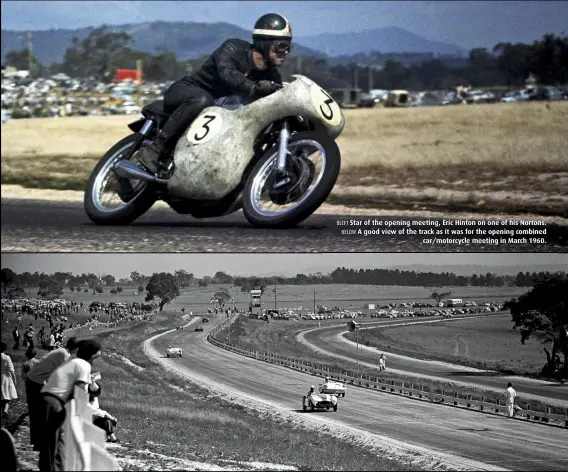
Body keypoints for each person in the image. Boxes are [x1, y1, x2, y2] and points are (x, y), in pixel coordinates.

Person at [136, 13, 292, 175]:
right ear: (263, 43)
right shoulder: (234, 48)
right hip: (187, 92)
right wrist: (253, 88)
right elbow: (228, 73)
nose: (286, 51)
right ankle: (155, 149)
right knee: (203, 100)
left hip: (217, 115)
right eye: (281, 46)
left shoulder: (272, 75)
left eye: (288, 47)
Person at [39, 339, 102, 472]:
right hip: (55, 403)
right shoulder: (84, 366)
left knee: (53, 441)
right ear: (92, 355)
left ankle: (52, 466)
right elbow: (80, 394)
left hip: (48, 399)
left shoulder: (74, 362)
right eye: (96, 355)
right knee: (55, 441)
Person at [26, 337, 79, 452]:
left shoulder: (62, 352)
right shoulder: (63, 355)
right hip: (35, 382)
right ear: (75, 348)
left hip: (37, 380)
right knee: (39, 412)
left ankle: (39, 442)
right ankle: (40, 442)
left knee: (41, 412)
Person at [1, 342, 18, 418]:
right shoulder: (6, 357)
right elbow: (11, 370)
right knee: (6, 395)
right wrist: (14, 379)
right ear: (5, 349)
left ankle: (4, 410)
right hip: (5, 377)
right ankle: (5, 410)